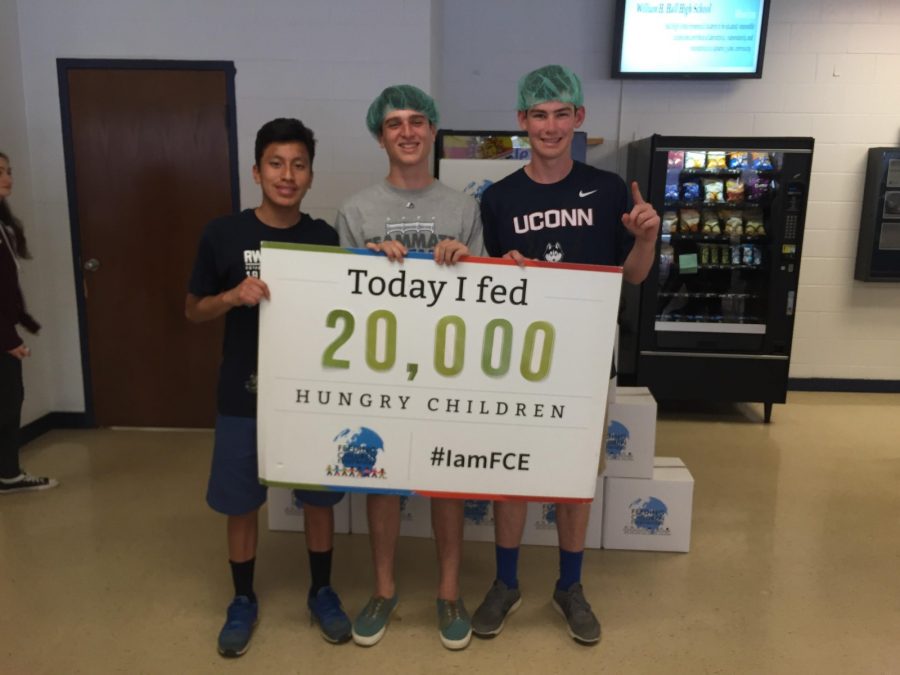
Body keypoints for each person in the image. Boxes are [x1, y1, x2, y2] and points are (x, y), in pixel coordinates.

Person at [473, 65, 660, 645]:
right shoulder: (498, 197)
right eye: (538, 115)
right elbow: (483, 291)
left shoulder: (607, 191)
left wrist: (648, 237)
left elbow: (632, 276)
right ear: (521, 122)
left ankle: (569, 587)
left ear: (578, 118)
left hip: (583, 364)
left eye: (561, 114)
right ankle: (507, 582)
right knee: (510, 477)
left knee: (575, 480)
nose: (549, 126)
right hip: (516, 363)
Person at [185, 119, 350, 657]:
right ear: (257, 171)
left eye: (298, 165)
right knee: (241, 503)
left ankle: (321, 591)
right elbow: (193, 310)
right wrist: (232, 296)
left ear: (310, 176)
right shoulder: (223, 234)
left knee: (318, 500)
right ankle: (242, 600)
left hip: (311, 395)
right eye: (276, 164)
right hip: (243, 391)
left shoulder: (324, 238)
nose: (287, 175)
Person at [334, 85, 484, 651]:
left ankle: (449, 593)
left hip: (447, 368)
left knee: (446, 479)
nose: (407, 131)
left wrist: (462, 261)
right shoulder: (356, 209)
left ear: (432, 130)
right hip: (382, 373)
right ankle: (383, 589)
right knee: (383, 479)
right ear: (380, 136)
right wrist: (367, 264)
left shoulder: (463, 206)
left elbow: (487, 291)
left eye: (417, 121)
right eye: (394, 123)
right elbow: (340, 300)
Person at [0, 151, 58, 495]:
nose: (8, 177)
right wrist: (8, 338)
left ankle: (8, 473)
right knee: (7, 402)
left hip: (6, 330)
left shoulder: (4, 225)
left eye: (9, 171)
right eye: (0, 172)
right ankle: (7, 474)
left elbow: (6, 286)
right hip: (1, 337)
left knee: (10, 401)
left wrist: (24, 320)